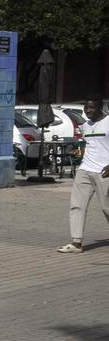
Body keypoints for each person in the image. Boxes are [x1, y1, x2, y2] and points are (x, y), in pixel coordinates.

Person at [58, 95, 109, 253]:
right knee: (77, 205)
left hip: (104, 172)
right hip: (85, 170)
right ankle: (76, 243)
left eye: (92, 107)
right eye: (86, 107)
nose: (88, 110)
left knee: (106, 208)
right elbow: (90, 144)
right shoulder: (86, 126)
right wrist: (80, 153)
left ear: (100, 107)